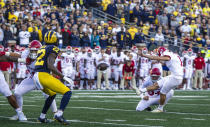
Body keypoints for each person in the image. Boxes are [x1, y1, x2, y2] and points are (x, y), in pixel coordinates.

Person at [9, 40, 58, 122]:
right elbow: (18, 56)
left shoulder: (45, 56)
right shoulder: (25, 53)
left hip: (43, 78)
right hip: (32, 79)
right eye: (32, 50)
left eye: (35, 50)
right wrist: (6, 53)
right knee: (17, 93)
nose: (33, 52)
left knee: (49, 95)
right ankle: (19, 113)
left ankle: (56, 114)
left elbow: (51, 68)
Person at [33, 31, 73, 125]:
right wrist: (63, 76)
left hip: (36, 76)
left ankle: (42, 117)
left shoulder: (42, 47)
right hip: (43, 75)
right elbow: (50, 65)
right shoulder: (54, 48)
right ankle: (58, 115)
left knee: (52, 94)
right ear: (55, 39)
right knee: (67, 92)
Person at [139, 46, 183, 113]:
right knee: (157, 84)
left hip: (176, 77)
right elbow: (160, 60)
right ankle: (142, 90)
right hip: (174, 76)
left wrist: (144, 55)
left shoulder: (168, 55)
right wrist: (149, 55)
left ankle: (160, 108)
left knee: (163, 92)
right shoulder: (172, 55)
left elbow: (158, 58)